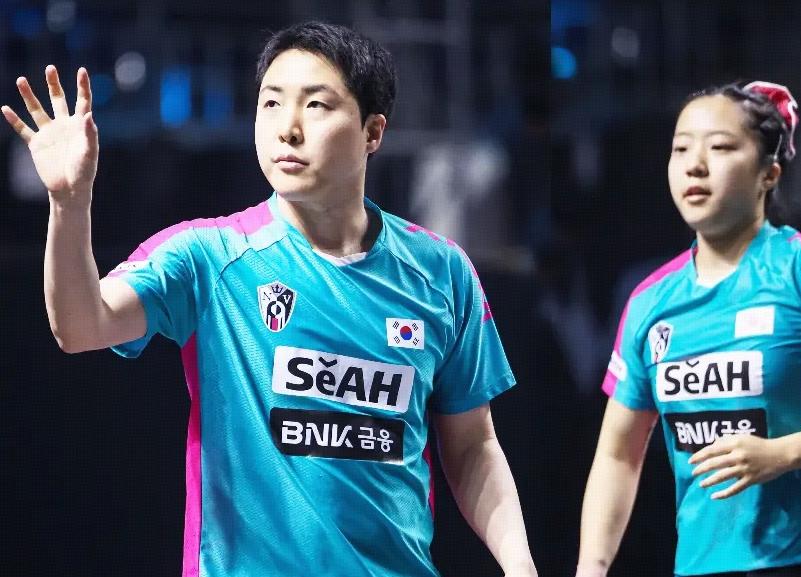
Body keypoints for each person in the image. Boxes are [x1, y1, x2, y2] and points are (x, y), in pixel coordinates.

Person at [3, 21, 536, 577]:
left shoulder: (440, 272)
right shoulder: (208, 256)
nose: (288, 129)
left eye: (316, 105)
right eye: (272, 103)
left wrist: (520, 564)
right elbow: (80, 325)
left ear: (373, 131)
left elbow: (472, 446)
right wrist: (68, 204)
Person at [576, 81, 801, 577]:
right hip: (700, 567)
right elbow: (618, 455)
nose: (695, 165)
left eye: (720, 147)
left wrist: (783, 453)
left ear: (769, 173)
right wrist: (590, 569)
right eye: (681, 149)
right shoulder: (649, 302)